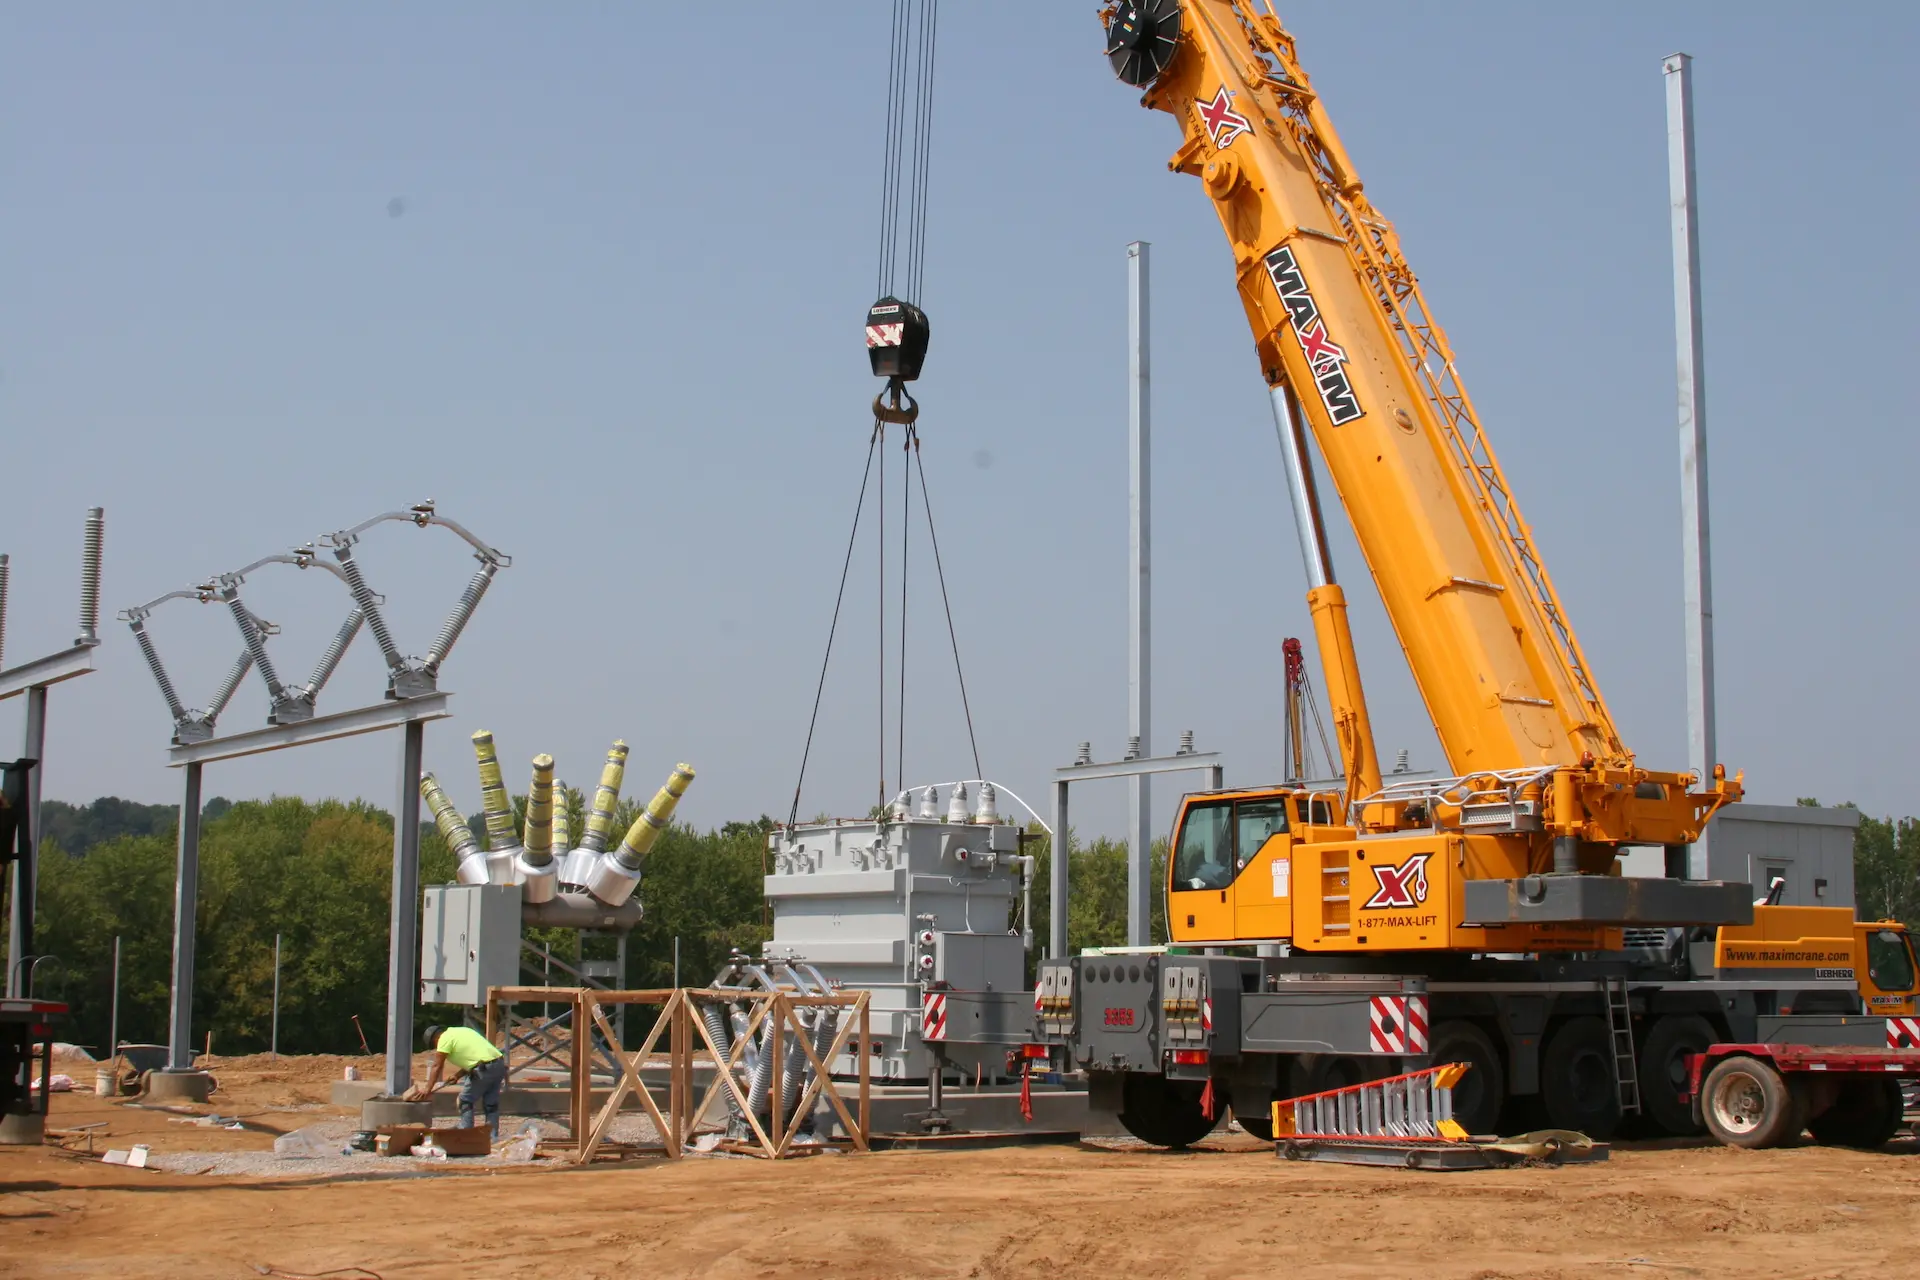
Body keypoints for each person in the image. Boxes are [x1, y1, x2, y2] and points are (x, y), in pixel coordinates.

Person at [409, 1023, 508, 1138]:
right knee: (491, 1104)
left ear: (435, 1039)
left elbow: (437, 1066)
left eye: (435, 1045)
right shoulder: (461, 1031)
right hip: (499, 1065)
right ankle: (492, 1137)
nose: (437, 1047)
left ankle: (465, 1131)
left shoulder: (444, 1039)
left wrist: (427, 1088)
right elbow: (474, 1058)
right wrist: (457, 1075)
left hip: (483, 1069)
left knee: (464, 1100)